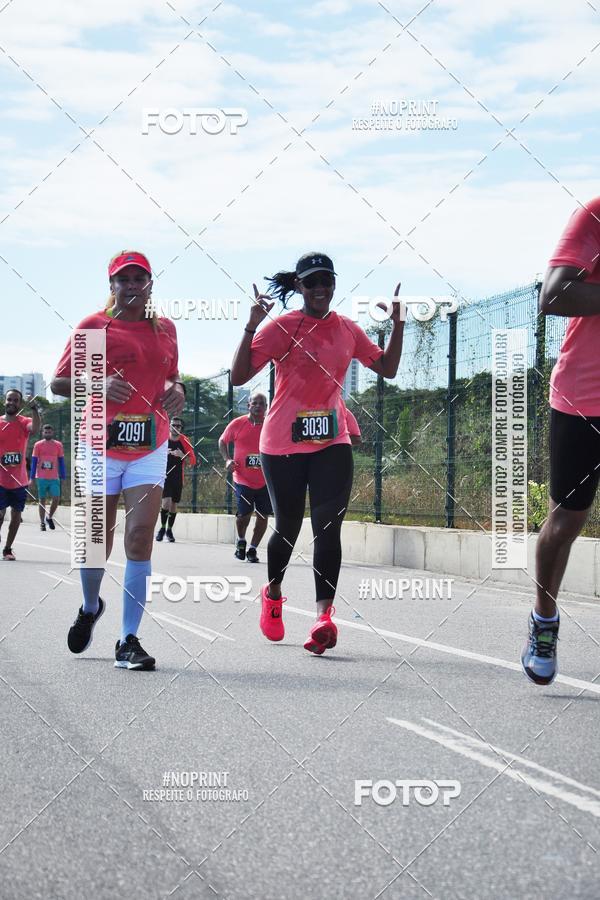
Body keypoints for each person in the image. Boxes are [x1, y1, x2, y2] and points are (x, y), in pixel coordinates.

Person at [231, 251, 404, 653]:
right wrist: (250, 326)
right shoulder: (282, 327)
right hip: (281, 444)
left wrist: (397, 324)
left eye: (327, 280)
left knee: (328, 528)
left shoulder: (348, 329)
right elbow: (240, 375)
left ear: (334, 284)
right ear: (300, 287)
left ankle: (323, 617)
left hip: (331, 441)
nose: (320, 288)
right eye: (312, 282)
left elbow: (388, 369)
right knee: (288, 528)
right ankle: (272, 595)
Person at [51, 250, 185, 671]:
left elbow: (172, 376)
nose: (131, 285)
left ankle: (128, 640)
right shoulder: (94, 326)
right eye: (123, 279)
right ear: (111, 285)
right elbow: (57, 383)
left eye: (139, 278)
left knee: (140, 536)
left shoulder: (166, 329)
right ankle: (90, 607)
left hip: (149, 444)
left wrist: (177, 389)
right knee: (95, 543)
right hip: (98, 445)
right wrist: (97, 383)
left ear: (150, 283)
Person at [521, 197, 600, 685]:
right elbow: (553, 295)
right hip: (584, 400)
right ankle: (544, 620)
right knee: (566, 521)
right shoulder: (593, 214)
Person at [218, 392, 272, 563]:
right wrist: (227, 460)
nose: (258, 406)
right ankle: (241, 540)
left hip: (266, 480)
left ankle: (253, 549)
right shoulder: (238, 423)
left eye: (261, 403)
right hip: (242, 478)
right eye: (254, 403)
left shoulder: (270, 425)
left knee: (263, 515)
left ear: (266, 406)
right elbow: (222, 441)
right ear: (248, 405)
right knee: (244, 514)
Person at [0, 389, 41, 560]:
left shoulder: (25, 422)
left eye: (16, 400)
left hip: (19, 481)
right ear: (5, 401)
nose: (12, 402)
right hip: (0, 479)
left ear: (20, 404)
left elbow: (36, 428)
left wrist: (34, 409)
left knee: (16, 516)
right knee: (0, 515)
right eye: (10, 399)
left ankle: (8, 549)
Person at [156, 416, 196, 542]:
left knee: (174, 504)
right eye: (173, 425)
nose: (175, 428)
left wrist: (182, 455)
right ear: (169, 426)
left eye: (178, 426)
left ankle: (169, 530)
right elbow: (152, 455)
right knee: (166, 502)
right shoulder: (162, 438)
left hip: (178, 477)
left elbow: (193, 461)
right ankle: (161, 528)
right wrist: (163, 453)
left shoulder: (185, 440)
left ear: (181, 428)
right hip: (165, 476)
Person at [31, 423, 66, 531]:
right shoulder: (38, 445)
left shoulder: (58, 445)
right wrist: (31, 478)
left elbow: (61, 461)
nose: (47, 433)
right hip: (41, 477)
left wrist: (63, 476)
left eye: (49, 432)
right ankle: (42, 522)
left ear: (53, 433)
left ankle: (49, 517)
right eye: (45, 432)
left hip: (54, 478)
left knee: (56, 498)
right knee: (42, 500)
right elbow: (34, 461)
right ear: (42, 433)